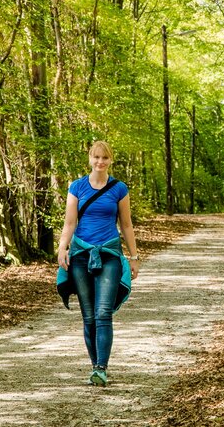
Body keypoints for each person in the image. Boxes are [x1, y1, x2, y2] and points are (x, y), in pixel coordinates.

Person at [56, 140, 140, 387]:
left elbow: (126, 225)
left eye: (104, 158)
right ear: (90, 159)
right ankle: (95, 366)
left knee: (103, 312)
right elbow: (70, 223)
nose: (100, 162)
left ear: (110, 160)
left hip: (110, 255)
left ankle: (102, 368)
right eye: (96, 157)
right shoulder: (77, 187)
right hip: (81, 255)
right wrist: (63, 247)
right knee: (89, 315)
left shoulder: (119, 189)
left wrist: (133, 258)